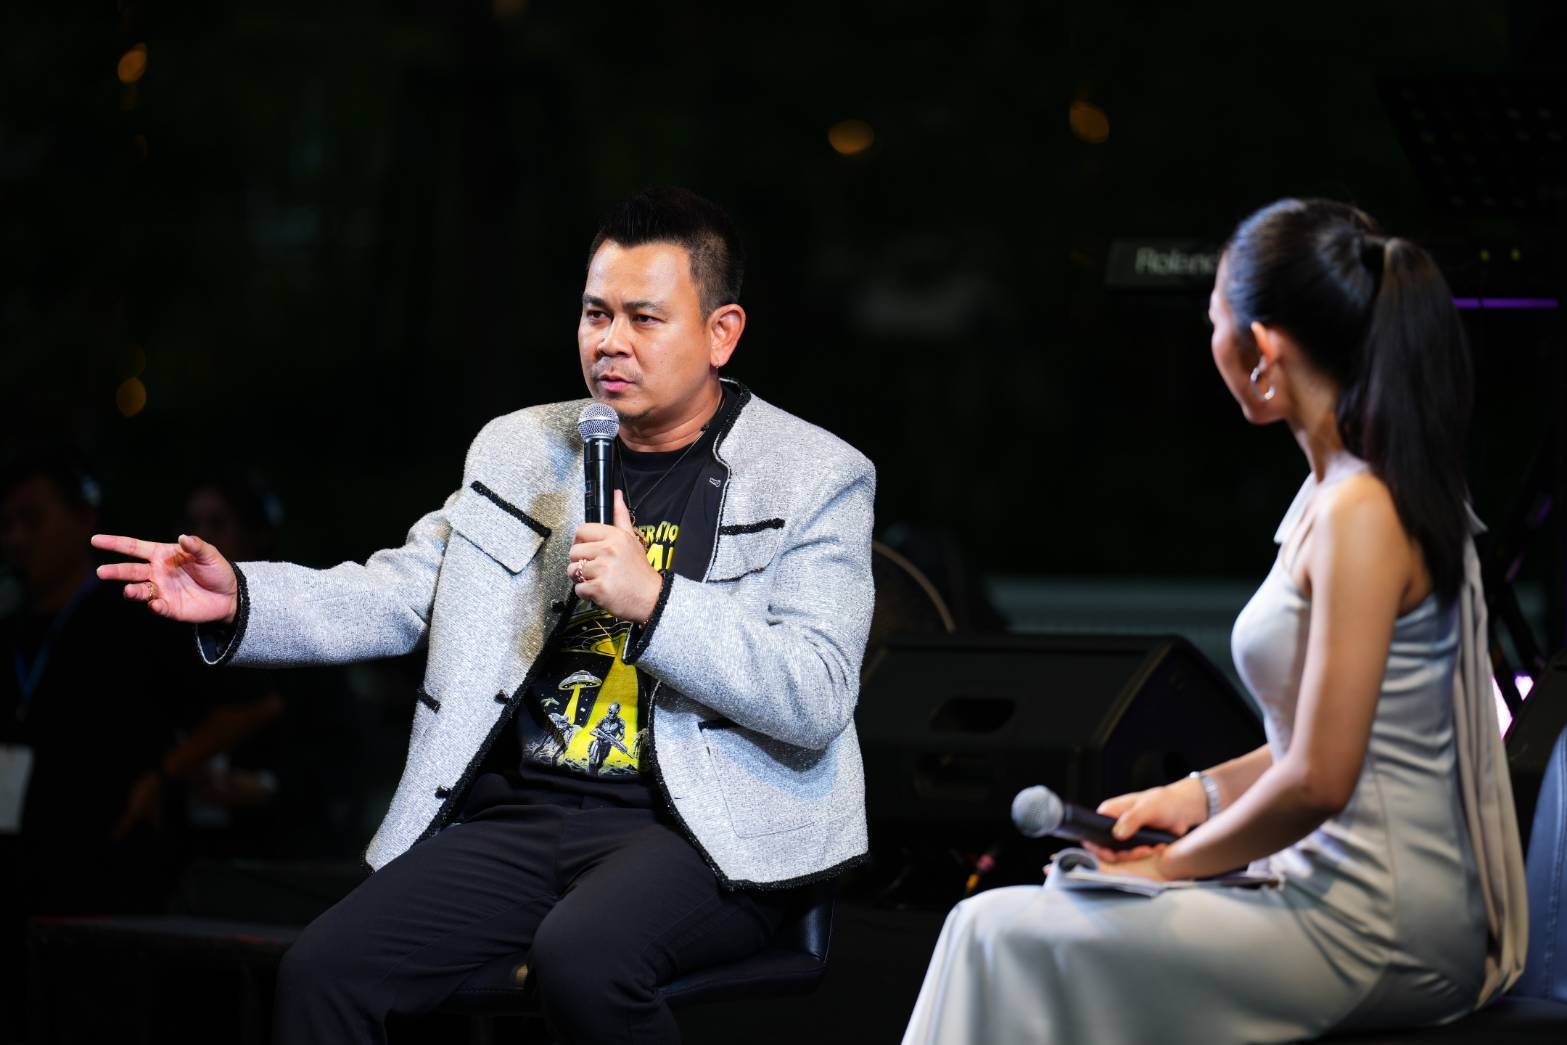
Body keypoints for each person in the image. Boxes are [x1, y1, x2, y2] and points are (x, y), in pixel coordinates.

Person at [94, 186, 876, 1045]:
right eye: (595, 313)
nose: (609, 342)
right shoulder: (524, 448)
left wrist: (654, 601)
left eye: (643, 319)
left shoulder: (812, 474)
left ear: (720, 332)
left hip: (700, 827)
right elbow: (403, 590)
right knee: (323, 970)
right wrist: (244, 596)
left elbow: (816, 691)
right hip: (527, 815)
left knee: (583, 957)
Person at [901, 199, 1527, 1044]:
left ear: (1260, 348)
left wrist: (1172, 863)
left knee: (997, 929)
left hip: (1373, 922)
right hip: (1329, 895)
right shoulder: (1339, 495)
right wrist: (1190, 796)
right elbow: (1332, 737)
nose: (1209, 345)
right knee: (1007, 922)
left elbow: (1320, 777)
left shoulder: (1362, 510)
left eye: (1211, 322)